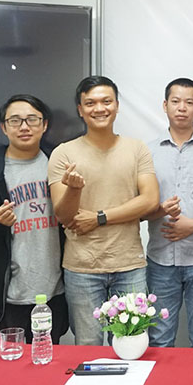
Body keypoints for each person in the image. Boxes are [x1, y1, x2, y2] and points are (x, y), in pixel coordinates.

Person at [48, 76, 159, 345]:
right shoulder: (63, 153)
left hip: (130, 264)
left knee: (131, 344)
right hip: (82, 267)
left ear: (117, 105)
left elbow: (150, 200)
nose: (99, 108)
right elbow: (63, 216)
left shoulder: (136, 148)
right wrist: (74, 190)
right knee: (88, 346)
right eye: (91, 103)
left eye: (106, 101)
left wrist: (100, 218)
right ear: (80, 109)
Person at [0, 94, 69, 344]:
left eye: (32, 119)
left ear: (44, 125)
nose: (24, 126)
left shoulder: (59, 164)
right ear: (3, 127)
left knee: (46, 359)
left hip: (53, 290)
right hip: (5, 295)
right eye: (15, 120)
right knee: (7, 363)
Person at [145, 78, 193, 348]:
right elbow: (138, 202)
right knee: (159, 338)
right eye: (176, 101)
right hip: (160, 258)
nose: (182, 108)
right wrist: (158, 210)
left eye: (189, 102)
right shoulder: (147, 152)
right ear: (165, 105)